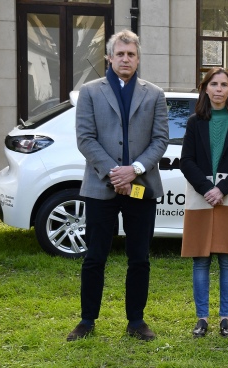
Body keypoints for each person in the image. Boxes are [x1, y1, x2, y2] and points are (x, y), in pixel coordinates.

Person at [66, 29, 169, 342]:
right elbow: (86, 138)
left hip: (142, 187)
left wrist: (134, 170)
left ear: (138, 59)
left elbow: (160, 140)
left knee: (139, 257)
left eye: (131, 54)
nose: (126, 59)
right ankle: (86, 321)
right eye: (120, 54)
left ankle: (136, 321)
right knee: (95, 256)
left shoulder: (154, 94)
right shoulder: (90, 92)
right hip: (101, 187)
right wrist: (115, 173)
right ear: (109, 57)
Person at [180, 67, 228, 338]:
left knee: (227, 259)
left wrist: (221, 189)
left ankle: (225, 317)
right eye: (214, 84)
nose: (219, 89)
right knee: (200, 259)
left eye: (224, 84)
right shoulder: (193, 122)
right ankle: (202, 318)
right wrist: (206, 188)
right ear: (205, 88)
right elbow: (186, 161)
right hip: (200, 197)